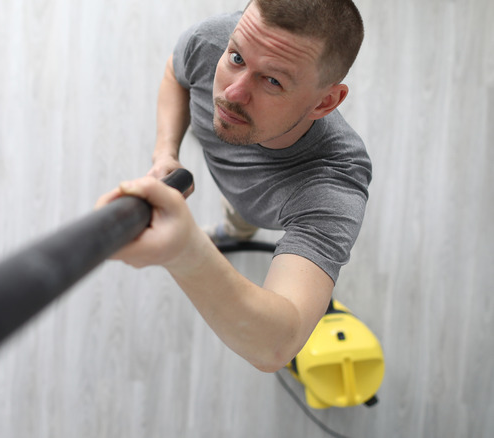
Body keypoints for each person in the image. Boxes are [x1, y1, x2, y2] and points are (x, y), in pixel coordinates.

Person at [96, 0, 371, 373]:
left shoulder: (334, 180)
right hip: (235, 187)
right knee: (236, 213)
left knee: (243, 214)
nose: (232, 94)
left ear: (325, 102)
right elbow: (174, 74)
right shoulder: (212, 41)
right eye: (237, 59)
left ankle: (234, 227)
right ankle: (233, 227)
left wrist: (185, 251)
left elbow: (277, 346)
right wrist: (165, 154)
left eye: (272, 80)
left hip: (267, 208)